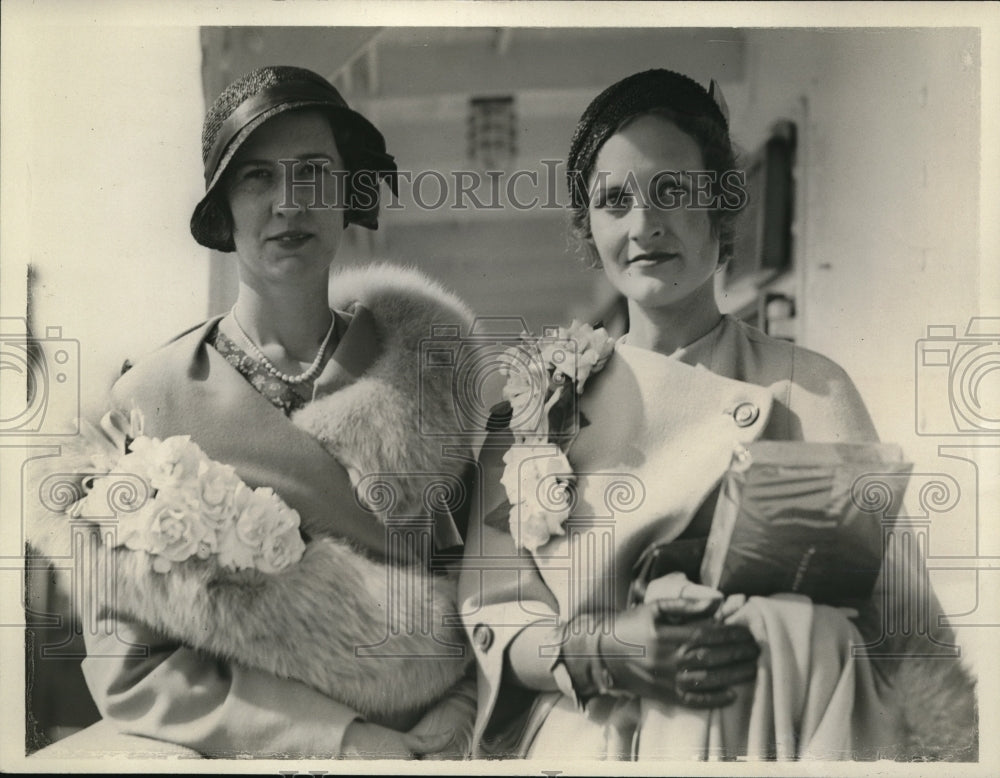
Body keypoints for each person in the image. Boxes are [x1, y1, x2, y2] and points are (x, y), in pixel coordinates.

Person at [458, 69, 977, 761]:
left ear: (721, 205)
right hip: (594, 736)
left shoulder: (810, 388)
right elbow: (494, 620)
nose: (645, 224)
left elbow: (903, 621)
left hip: (774, 727)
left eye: (673, 191)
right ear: (590, 226)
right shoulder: (534, 408)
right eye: (615, 201)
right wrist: (609, 651)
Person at [28, 66, 478, 759]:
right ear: (224, 209)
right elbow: (130, 667)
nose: (289, 201)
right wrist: (341, 739)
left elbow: (491, 584)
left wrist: (462, 712)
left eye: (313, 172)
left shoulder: (428, 369)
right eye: (257, 177)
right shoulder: (149, 403)